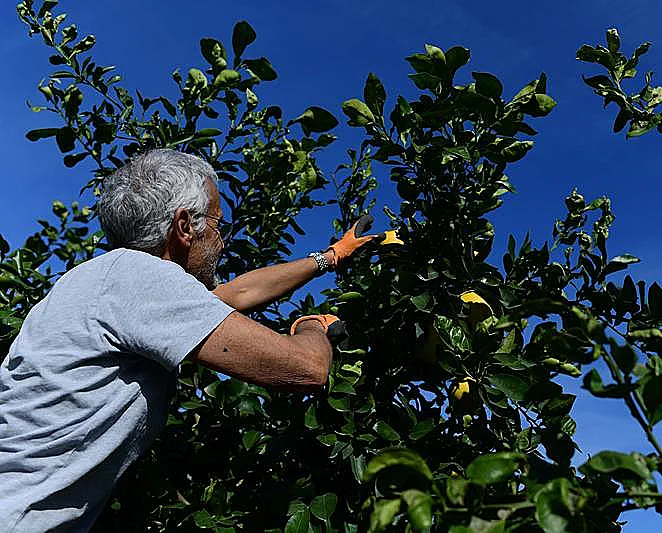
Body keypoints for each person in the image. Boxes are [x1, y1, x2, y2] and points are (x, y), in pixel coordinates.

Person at [0, 149, 381, 531]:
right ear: (184, 226)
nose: (222, 241)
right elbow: (305, 369)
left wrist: (330, 257)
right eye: (219, 224)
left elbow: (236, 295)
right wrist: (314, 326)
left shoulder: (104, 281)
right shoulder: (138, 278)